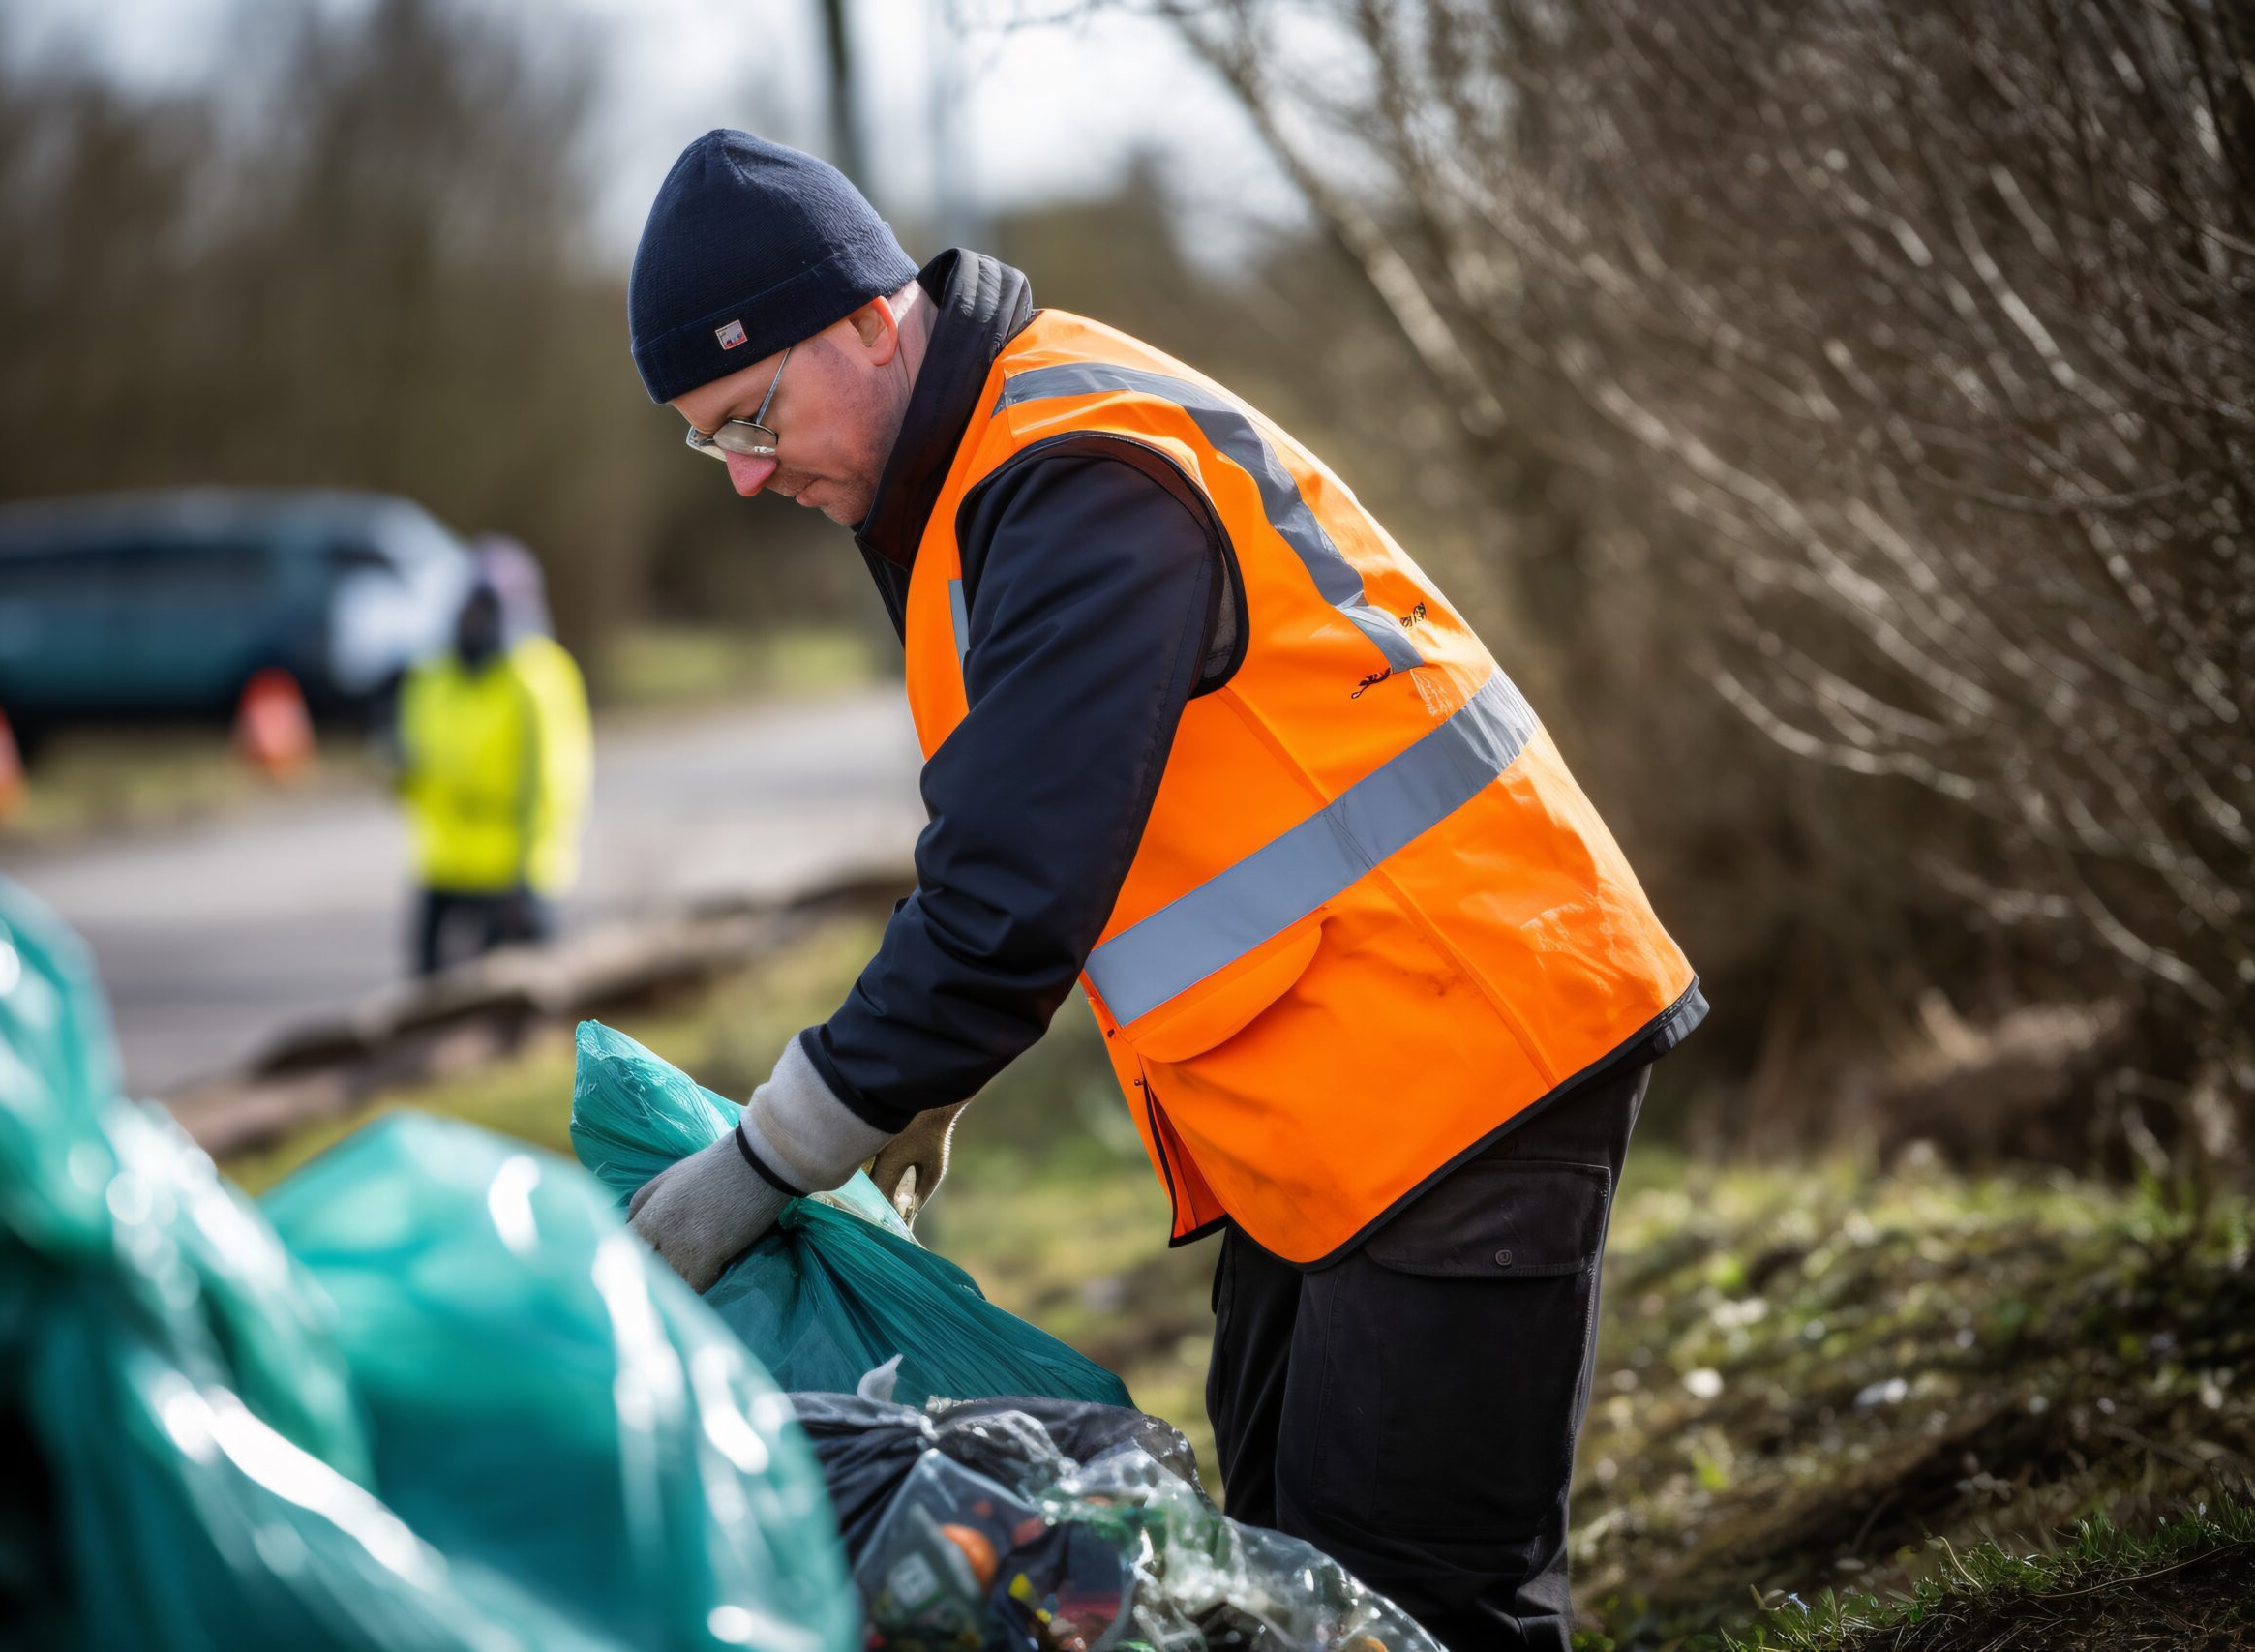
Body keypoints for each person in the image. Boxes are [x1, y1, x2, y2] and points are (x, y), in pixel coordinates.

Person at [620, 129, 1706, 1652]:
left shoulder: (1070, 471)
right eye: (706, 440)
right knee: (1285, 1577)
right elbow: (1031, 853)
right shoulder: (976, 476)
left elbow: (1008, 899)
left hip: (1459, 1042)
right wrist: (920, 1085)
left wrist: (773, 1154)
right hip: (1350, 1076)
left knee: (1411, 1608)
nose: (741, 474)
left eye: (752, 415)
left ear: (870, 319)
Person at [394, 543, 592, 976]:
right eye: (466, 606)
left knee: (518, 1014)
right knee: (426, 1004)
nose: (472, 619)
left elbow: (555, 781)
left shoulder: (537, 676)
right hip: (444, 868)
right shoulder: (431, 677)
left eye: (485, 608)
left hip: (515, 875)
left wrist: (533, 874)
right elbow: (419, 767)